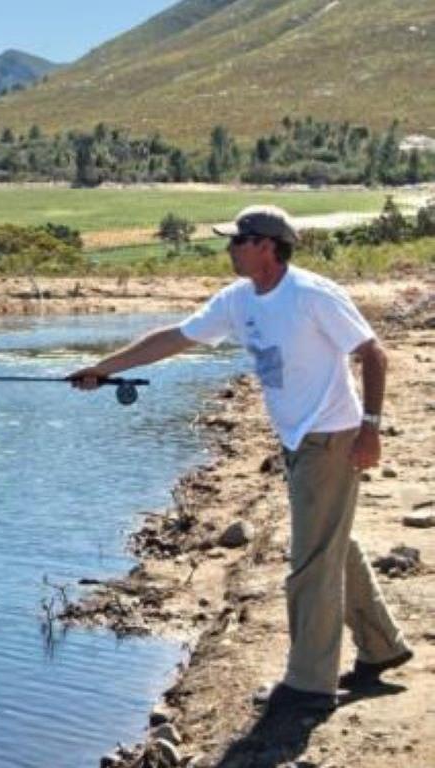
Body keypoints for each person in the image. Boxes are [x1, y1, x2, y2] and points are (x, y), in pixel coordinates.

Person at [68, 205, 413, 712]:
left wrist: (371, 429)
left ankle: (309, 685)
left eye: (237, 240)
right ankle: (382, 646)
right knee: (329, 544)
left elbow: (373, 354)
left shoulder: (312, 294)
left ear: (267, 246)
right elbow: (175, 337)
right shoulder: (238, 299)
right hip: (296, 439)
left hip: (330, 436)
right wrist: (104, 368)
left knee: (311, 563)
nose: (228, 248)